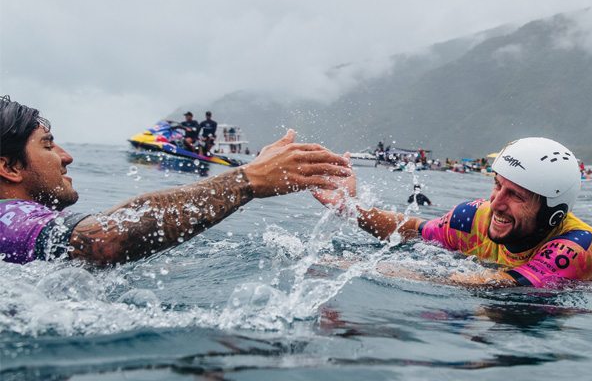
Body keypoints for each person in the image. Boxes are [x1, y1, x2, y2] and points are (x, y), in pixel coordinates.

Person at [0, 96, 351, 265]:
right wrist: (249, 180)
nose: (66, 156)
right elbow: (104, 240)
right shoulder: (8, 220)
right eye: (47, 145)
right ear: (10, 168)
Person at [313, 137, 592, 288]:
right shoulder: (473, 217)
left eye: (516, 196)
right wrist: (352, 209)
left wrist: (364, 268)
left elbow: (499, 285)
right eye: (497, 185)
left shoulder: (576, 247)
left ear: (553, 214)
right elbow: (412, 229)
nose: (497, 203)